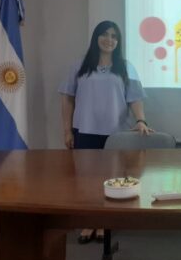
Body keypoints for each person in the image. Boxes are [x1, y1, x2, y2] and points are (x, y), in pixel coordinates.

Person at [59, 20, 152, 244]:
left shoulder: (126, 67)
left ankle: (104, 223)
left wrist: (141, 120)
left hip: (116, 134)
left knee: (112, 179)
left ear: (118, 41)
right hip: (85, 130)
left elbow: (135, 98)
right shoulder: (80, 66)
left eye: (114, 36)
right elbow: (67, 98)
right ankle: (89, 222)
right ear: (96, 37)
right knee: (86, 179)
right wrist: (67, 131)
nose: (109, 39)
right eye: (105, 34)